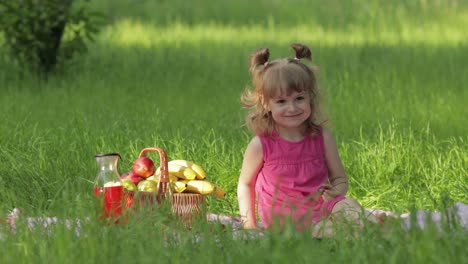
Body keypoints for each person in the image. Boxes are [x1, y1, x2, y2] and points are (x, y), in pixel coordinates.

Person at [237, 43, 382, 237]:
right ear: (266, 103)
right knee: (330, 230)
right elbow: (246, 184)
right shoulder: (261, 145)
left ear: (309, 97)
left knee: (349, 205)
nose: (292, 107)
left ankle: (373, 228)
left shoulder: (322, 137)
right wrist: (249, 225)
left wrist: (335, 192)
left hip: (321, 207)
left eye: (299, 98)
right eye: (281, 101)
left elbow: (339, 179)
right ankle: (359, 232)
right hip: (285, 217)